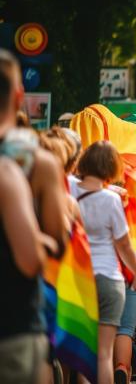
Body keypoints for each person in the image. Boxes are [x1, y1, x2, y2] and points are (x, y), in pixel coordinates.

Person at [0, 60, 57, 383]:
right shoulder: (13, 169)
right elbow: (30, 259)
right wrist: (43, 241)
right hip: (12, 331)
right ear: (19, 97)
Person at [72, 141, 136, 384]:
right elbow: (124, 244)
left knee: (84, 353)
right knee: (104, 355)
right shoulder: (111, 200)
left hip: (79, 277)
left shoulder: (70, 191)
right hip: (109, 279)